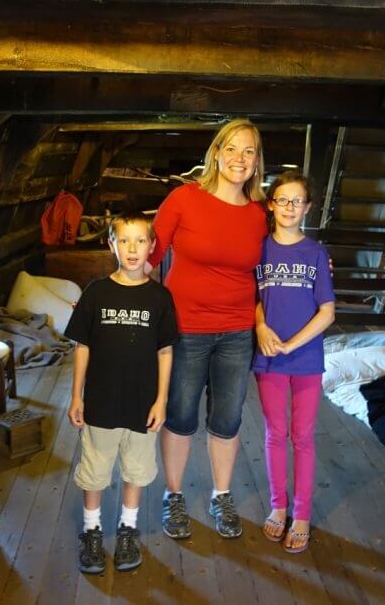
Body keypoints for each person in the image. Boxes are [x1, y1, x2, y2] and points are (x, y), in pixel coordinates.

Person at [147, 118, 269, 540]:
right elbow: (148, 253)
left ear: (257, 163)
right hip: (185, 328)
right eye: (232, 148)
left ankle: (221, 494)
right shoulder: (184, 198)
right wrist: (114, 296)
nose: (239, 158)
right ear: (216, 152)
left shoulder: (259, 214)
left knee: (228, 418)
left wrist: (315, 264)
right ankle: (174, 495)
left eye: (249, 151)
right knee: (180, 416)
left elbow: (279, 258)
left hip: (237, 331)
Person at [65, 211, 178, 574]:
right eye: (124, 241)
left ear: (152, 246)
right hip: (100, 401)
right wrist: (77, 396)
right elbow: (82, 347)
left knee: (136, 469)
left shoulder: (160, 298)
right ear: (111, 244)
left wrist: (161, 400)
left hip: (142, 404)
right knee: (95, 471)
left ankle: (128, 528)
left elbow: (165, 351)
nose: (132, 249)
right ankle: (92, 530)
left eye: (140, 241)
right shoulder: (95, 293)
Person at [253, 171, 335, 554]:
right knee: (274, 434)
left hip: (305, 358)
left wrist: (293, 344)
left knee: (302, 436)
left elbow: (327, 311)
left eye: (296, 201)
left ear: (307, 207)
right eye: (281, 200)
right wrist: (261, 327)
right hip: (268, 356)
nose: (288, 207)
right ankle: (278, 506)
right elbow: (251, 297)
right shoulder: (259, 250)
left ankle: (301, 514)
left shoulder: (315, 252)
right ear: (271, 204)